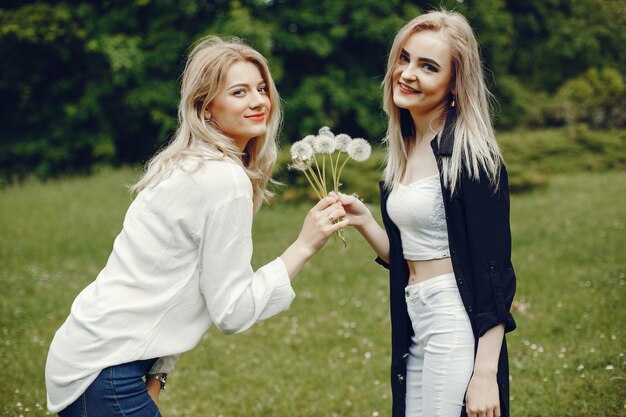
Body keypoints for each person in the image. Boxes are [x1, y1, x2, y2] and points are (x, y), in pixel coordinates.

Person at [45, 36, 348, 416]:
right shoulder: (223, 180)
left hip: (92, 359)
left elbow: (174, 284)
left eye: (261, 88)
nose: (258, 101)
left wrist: (157, 378)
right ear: (205, 108)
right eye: (239, 92)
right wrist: (304, 245)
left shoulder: (189, 164)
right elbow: (233, 312)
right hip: (105, 371)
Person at [337, 10, 516, 417]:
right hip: (415, 309)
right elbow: (409, 258)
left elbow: (495, 273)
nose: (408, 73)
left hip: (452, 315)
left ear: (454, 85)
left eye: (428, 66)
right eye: (405, 58)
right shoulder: (406, 147)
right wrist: (364, 220)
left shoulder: (471, 157)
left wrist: (485, 373)